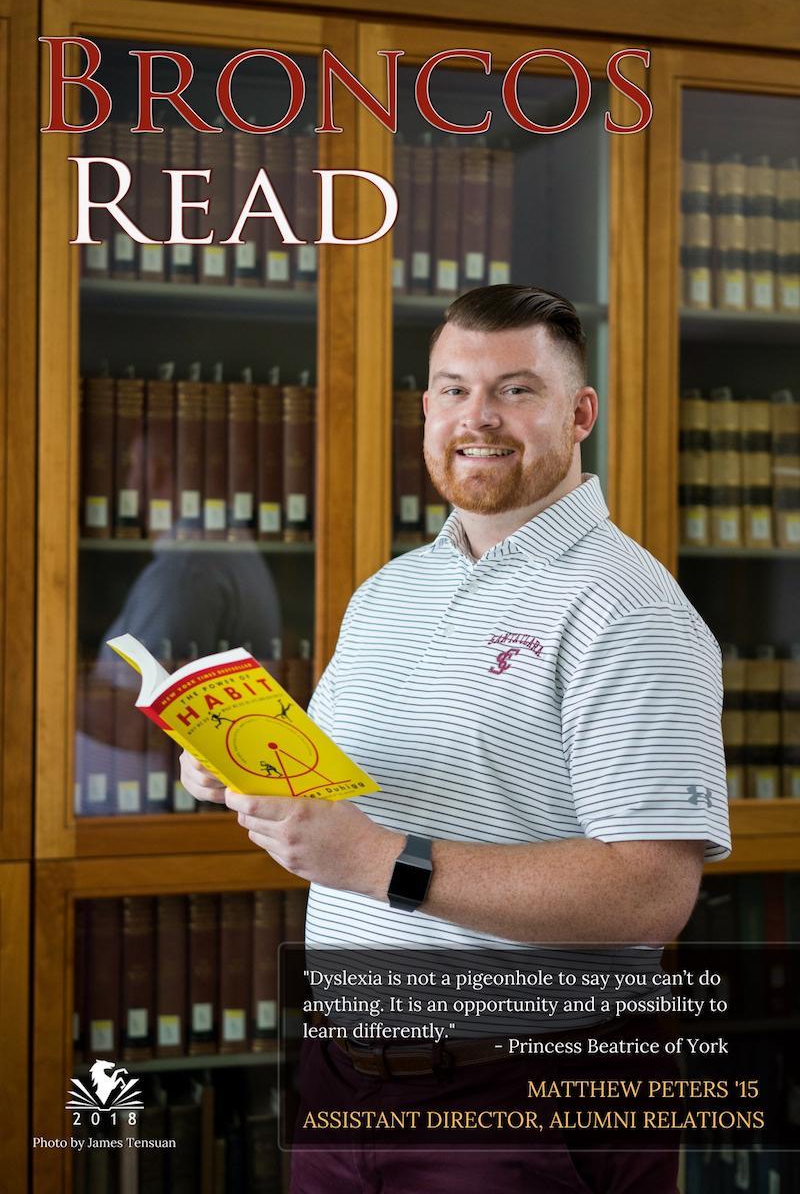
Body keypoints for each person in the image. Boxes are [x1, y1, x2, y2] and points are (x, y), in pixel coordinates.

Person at [181, 285, 731, 1192]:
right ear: (427, 409)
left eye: (516, 390)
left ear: (580, 414)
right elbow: (347, 787)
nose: (477, 418)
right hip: (341, 1076)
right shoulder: (389, 592)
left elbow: (650, 893)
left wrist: (379, 863)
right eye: (452, 390)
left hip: (526, 1089)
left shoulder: (631, 610)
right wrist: (239, 761)